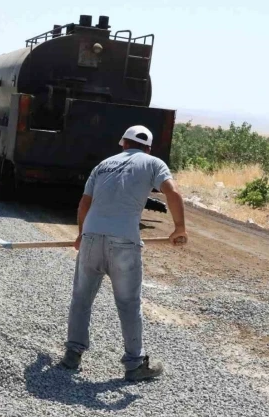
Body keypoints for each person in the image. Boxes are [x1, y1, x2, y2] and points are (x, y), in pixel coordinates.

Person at [60, 125, 187, 381]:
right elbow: (172, 192)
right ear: (148, 148)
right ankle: (134, 365)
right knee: (128, 304)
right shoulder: (153, 163)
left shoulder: (103, 164)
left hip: (92, 239)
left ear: (123, 144)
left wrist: (82, 234)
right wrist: (180, 228)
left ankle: (72, 354)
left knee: (82, 298)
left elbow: (85, 202)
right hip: (124, 244)